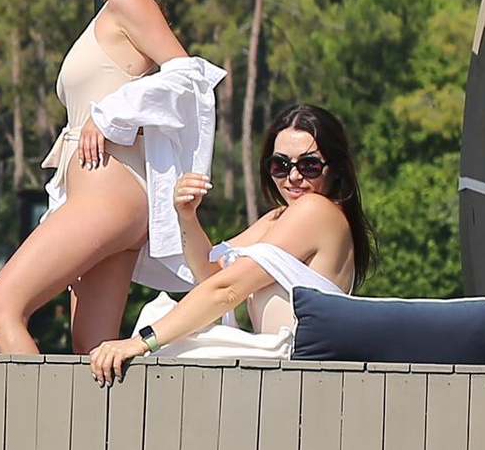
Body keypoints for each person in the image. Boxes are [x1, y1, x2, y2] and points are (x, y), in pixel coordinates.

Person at [0, 0, 217, 358]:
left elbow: (189, 77)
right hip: (112, 204)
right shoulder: (110, 10)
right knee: (95, 351)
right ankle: (97, 433)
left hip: (109, 198)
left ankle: (40, 429)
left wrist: (110, 113)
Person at [85, 105, 370, 383]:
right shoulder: (278, 218)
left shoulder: (315, 210)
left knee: (160, 333)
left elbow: (226, 290)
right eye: (280, 165)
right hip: (281, 374)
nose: (293, 176)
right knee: (162, 322)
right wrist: (187, 217)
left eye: (309, 165)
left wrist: (141, 342)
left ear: (336, 170)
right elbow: (210, 274)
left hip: (297, 376)